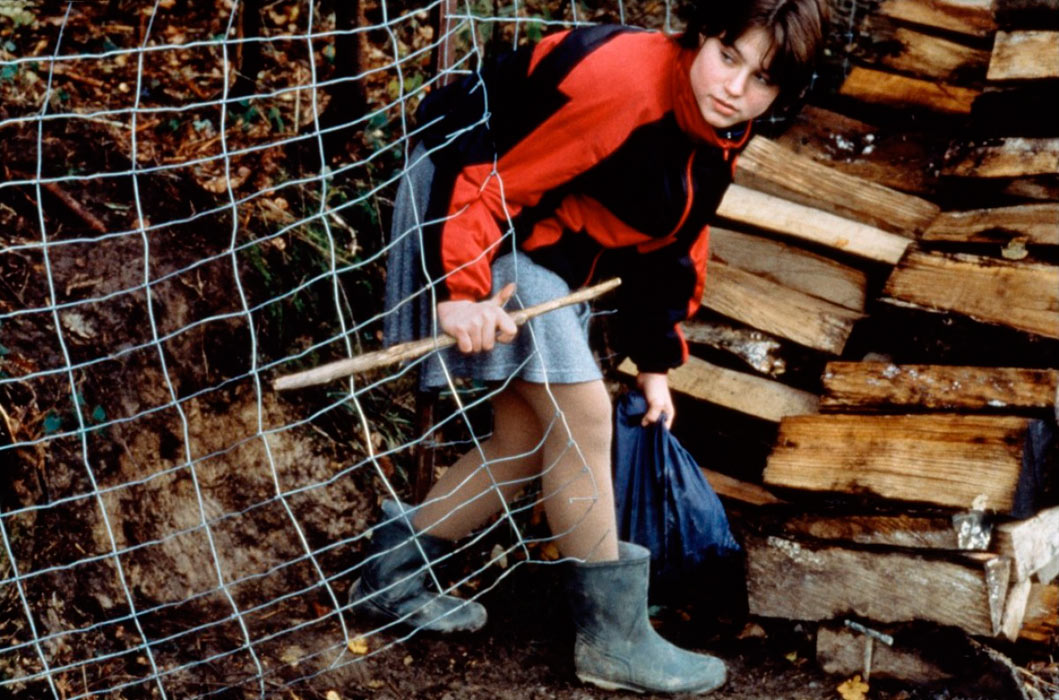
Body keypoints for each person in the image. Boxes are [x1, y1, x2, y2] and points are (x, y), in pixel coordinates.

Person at [352, 0, 828, 694]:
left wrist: (656, 359)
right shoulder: (627, 85)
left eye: (760, 78)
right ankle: (613, 639)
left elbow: (674, 242)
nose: (734, 87)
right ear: (700, 37)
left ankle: (388, 577)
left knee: (526, 438)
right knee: (582, 420)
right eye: (727, 56)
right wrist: (460, 286)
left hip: (540, 235)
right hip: (469, 210)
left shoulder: (720, 127)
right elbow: (484, 176)